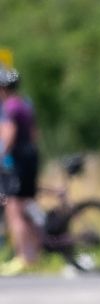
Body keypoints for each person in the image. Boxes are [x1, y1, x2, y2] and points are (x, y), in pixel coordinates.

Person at [0, 68, 40, 277]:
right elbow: (34, 134)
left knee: (13, 209)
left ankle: (23, 257)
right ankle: (33, 256)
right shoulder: (25, 104)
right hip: (31, 157)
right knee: (27, 207)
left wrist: (2, 155)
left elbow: (9, 134)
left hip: (18, 162)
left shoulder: (10, 107)